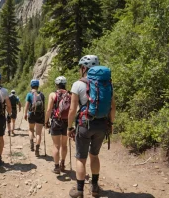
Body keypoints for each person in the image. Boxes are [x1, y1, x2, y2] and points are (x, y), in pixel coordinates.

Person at [68, 55, 116, 198]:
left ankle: (79, 191)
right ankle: (94, 187)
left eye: (80, 68)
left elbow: (72, 109)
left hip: (85, 124)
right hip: (102, 125)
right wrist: (111, 124)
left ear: (84, 68)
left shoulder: (78, 84)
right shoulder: (107, 83)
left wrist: (69, 127)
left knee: (81, 158)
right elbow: (113, 107)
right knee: (94, 155)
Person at [45, 76, 71, 174]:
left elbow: (48, 110)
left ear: (56, 84)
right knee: (64, 145)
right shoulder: (70, 95)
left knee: (56, 145)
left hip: (56, 121)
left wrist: (46, 121)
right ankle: (63, 164)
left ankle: (56, 167)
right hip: (66, 122)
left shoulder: (53, 94)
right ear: (65, 84)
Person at [24, 79, 45, 157]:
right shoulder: (42, 95)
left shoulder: (29, 94)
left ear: (31, 85)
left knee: (31, 129)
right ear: (38, 86)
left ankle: (32, 142)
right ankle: (37, 148)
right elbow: (43, 107)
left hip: (31, 114)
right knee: (38, 133)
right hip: (40, 115)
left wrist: (25, 114)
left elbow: (26, 105)